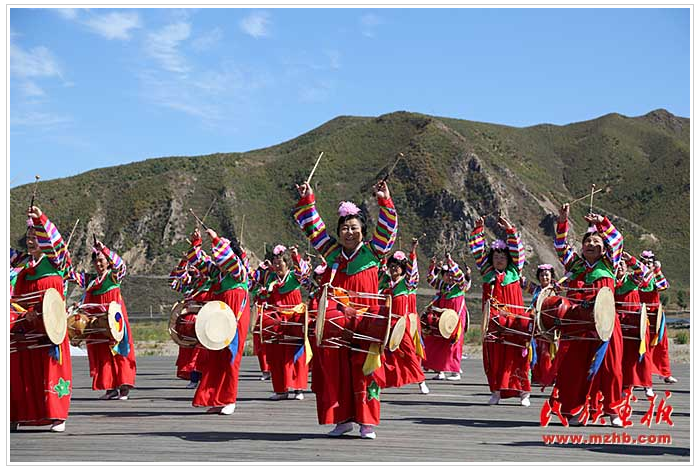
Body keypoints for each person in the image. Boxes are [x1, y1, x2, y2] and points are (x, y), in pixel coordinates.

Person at [293, 179, 397, 440]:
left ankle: (367, 423)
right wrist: (308, 201)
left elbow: (389, 229)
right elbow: (315, 233)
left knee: (365, 369)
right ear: (339, 233)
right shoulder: (332, 254)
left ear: (363, 230)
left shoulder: (374, 253)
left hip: (366, 321)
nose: (349, 233)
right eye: (344, 229)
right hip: (337, 322)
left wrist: (384, 200)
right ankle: (342, 420)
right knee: (335, 369)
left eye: (354, 228)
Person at [550, 203, 624, 427]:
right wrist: (563, 220)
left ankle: (613, 411)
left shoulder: (610, 263)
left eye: (597, 242)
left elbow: (617, 240)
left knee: (610, 368)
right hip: (579, 323)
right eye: (587, 242)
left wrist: (602, 222)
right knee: (574, 367)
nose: (591, 244)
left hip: (607, 322)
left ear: (604, 248)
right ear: (582, 247)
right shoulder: (575, 265)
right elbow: (561, 246)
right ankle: (574, 411)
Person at [10, 206, 73, 432]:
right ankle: (20, 414)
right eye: (28, 236)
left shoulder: (56, 262)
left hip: (49, 328)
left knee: (50, 369)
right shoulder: (23, 268)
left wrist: (39, 219)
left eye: (36, 236)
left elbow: (57, 245)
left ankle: (57, 416)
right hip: (27, 328)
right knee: (22, 369)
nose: (31, 241)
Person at [469, 216, 532, 407]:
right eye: (496, 257)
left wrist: (510, 231)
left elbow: (518, 251)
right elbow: (478, 252)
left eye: (503, 256)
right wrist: (478, 231)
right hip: (494, 324)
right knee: (495, 355)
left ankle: (524, 392)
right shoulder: (487, 273)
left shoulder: (515, 271)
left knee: (518, 354)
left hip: (514, 322)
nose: (499, 259)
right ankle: (496, 391)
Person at [187, 227, 250, 415]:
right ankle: (217, 399)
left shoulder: (239, 272)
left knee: (231, 358)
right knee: (215, 358)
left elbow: (229, 260)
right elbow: (198, 261)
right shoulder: (217, 274)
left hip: (235, 319)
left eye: (220, 257)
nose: (217, 260)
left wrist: (215, 239)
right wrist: (196, 243)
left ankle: (230, 399)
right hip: (219, 319)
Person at [69, 237, 136, 400]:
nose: (98, 264)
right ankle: (110, 386)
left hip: (113, 320)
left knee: (118, 351)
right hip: (96, 322)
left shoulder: (114, 276)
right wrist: (64, 257)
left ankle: (124, 386)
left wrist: (104, 249)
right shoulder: (91, 280)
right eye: (96, 261)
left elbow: (121, 265)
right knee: (102, 352)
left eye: (101, 261)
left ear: (107, 262)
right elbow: (70, 275)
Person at [263, 244, 311, 400]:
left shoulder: (293, 276)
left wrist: (296, 255)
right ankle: (281, 389)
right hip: (278, 320)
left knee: (296, 354)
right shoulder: (271, 278)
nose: (277, 266)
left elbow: (303, 272)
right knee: (277, 355)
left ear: (287, 263)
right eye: (275, 262)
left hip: (294, 318)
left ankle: (298, 389)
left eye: (280, 262)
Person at [381, 239, 428, 393]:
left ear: (402, 269)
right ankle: (386, 380)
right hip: (389, 323)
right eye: (391, 266)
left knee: (408, 351)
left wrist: (412, 252)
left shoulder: (407, 284)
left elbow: (413, 273)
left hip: (403, 323)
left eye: (397, 266)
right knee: (386, 353)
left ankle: (421, 380)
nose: (393, 269)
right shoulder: (388, 284)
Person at [423, 253, 471, 382]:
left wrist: (450, 261)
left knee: (454, 344)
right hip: (443, 319)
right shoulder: (443, 286)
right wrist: (433, 267)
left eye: (451, 274)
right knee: (440, 342)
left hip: (456, 320)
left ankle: (455, 371)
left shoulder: (460, 286)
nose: (450, 277)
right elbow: (430, 279)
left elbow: (461, 276)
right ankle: (440, 370)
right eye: (446, 274)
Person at [169, 255, 212, 388]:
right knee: (189, 350)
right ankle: (193, 379)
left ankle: (201, 377)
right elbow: (173, 282)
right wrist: (184, 261)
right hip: (188, 323)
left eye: (196, 264)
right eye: (191, 264)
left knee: (202, 351)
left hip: (204, 320)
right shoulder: (189, 283)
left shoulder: (210, 282)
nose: (193, 266)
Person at [615, 252, 653, 397]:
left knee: (643, 353)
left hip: (636, 320)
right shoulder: (610, 282)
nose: (619, 267)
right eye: (617, 265)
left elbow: (642, 272)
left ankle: (647, 384)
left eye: (622, 264)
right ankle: (624, 385)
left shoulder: (632, 279)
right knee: (622, 355)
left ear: (626, 268)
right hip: (619, 322)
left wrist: (630, 259)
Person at [521, 264, 565, 388]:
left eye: (547, 275)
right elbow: (523, 283)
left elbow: (569, 283)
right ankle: (536, 376)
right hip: (536, 323)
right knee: (535, 350)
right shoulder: (536, 289)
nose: (544, 277)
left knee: (549, 351)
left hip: (550, 325)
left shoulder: (555, 289)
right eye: (541, 275)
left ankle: (549, 376)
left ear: (551, 276)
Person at [638, 250, 677, 384]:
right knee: (643, 345)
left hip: (656, 314)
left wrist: (657, 271)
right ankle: (642, 374)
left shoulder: (655, 276)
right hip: (641, 314)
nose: (647, 265)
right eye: (645, 262)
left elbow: (663, 286)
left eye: (650, 263)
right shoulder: (637, 276)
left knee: (662, 344)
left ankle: (666, 373)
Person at [250, 260, 272, 381]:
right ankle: (265, 370)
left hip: (269, 312)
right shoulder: (255, 284)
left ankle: (272, 369)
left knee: (270, 342)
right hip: (258, 313)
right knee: (260, 344)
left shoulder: (273, 281)